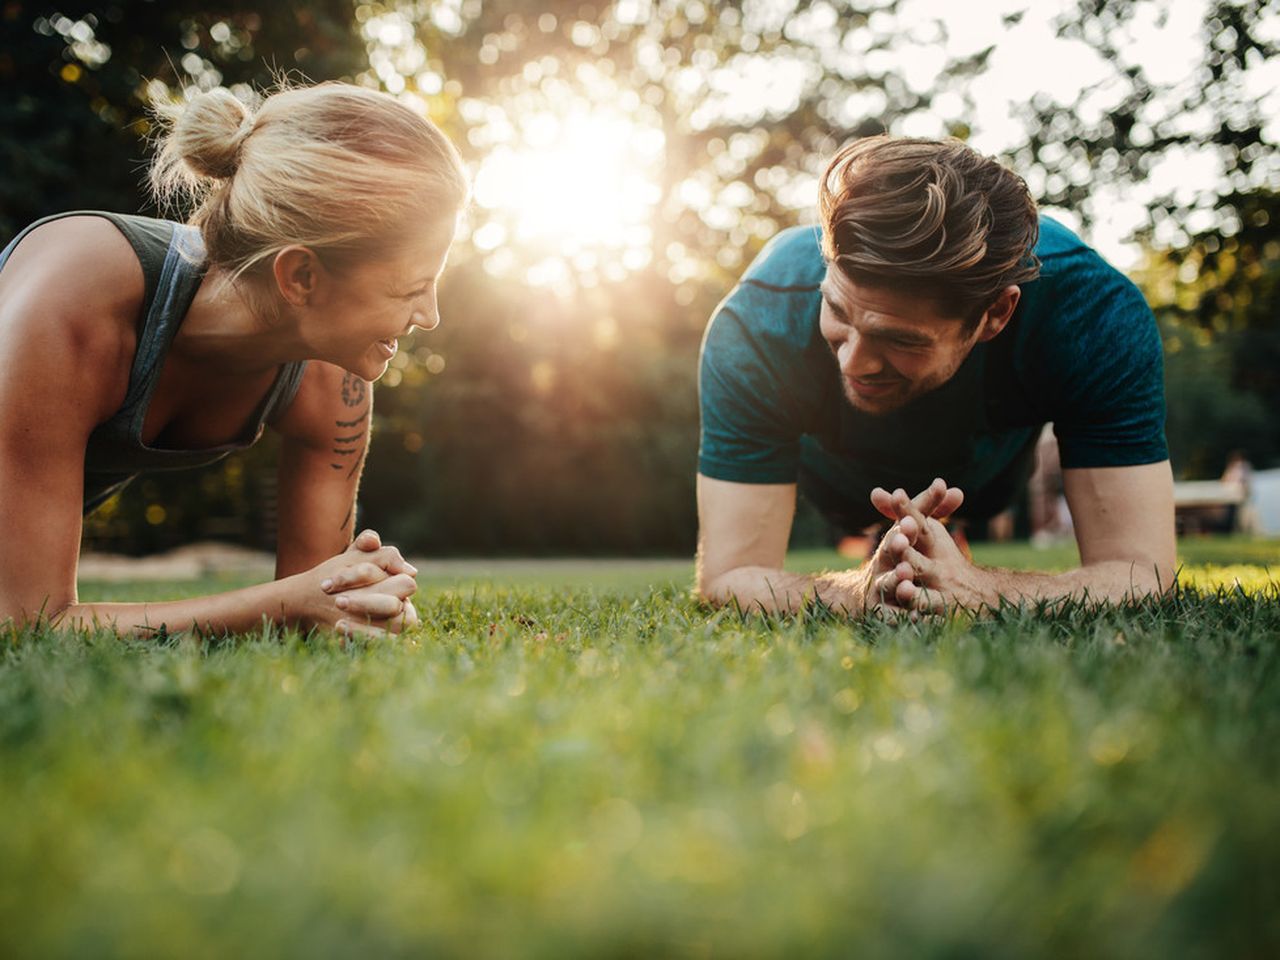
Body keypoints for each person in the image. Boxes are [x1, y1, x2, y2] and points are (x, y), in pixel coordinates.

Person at [0, 82, 468, 637]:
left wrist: (363, 600)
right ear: (301, 276)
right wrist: (285, 603)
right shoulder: (78, 297)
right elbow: (26, 622)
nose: (430, 316)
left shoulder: (333, 378)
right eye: (409, 288)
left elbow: (318, 603)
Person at [696, 136, 1175, 615]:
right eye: (837, 309)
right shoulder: (757, 322)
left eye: (901, 339)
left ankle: (947, 533)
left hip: (986, 479)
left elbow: (1143, 572)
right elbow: (729, 575)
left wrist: (978, 589)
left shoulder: (1092, 315)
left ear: (997, 313)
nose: (853, 362)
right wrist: (856, 593)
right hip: (838, 479)